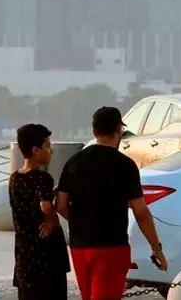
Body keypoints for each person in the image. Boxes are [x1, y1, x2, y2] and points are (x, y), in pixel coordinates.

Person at [56, 106, 168, 300]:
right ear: (119, 130)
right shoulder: (125, 165)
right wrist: (156, 248)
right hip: (111, 247)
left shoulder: (74, 162)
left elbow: (61, 205)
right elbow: (141, 211)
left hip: (80, 247)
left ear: (94, 131)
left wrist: (81, 222)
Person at [9, 123, 69, 300]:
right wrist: (51, 219)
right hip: (45, 257)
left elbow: (32, 202)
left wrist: (54, 191)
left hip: (24, 256)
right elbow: (45, 205)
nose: (50, 151)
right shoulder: (42, 177)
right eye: (47, 146)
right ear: (36, 150)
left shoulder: (15, 178)